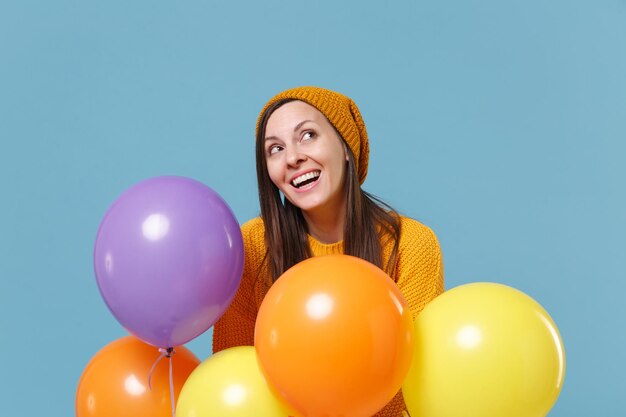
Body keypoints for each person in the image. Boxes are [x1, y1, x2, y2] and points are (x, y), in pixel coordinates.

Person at [213, 86, 444, 416]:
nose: (292, 157)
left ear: (346, 148)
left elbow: (412, 380)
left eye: (307, 135)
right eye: (274, 149)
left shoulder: (411, 244)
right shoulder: (249, 246)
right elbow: (234, 375)